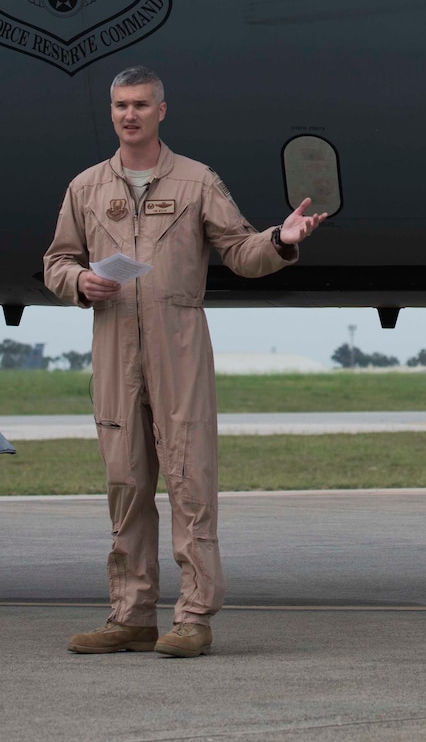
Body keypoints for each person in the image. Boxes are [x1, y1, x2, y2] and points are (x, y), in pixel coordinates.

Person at [43, 65, 326, 657]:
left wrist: (282, 239)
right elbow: (57, 260)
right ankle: (130, 616)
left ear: (161, 111)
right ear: (112, 111)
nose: (130, 115)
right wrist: (79, 281)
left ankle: (193, 617)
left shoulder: (198, 182)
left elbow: (241, 251)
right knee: (126, 484)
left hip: (179, 351)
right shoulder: (86, 188)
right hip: (114, 350)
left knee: (190, 481)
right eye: (121, 105)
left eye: (141, 104)